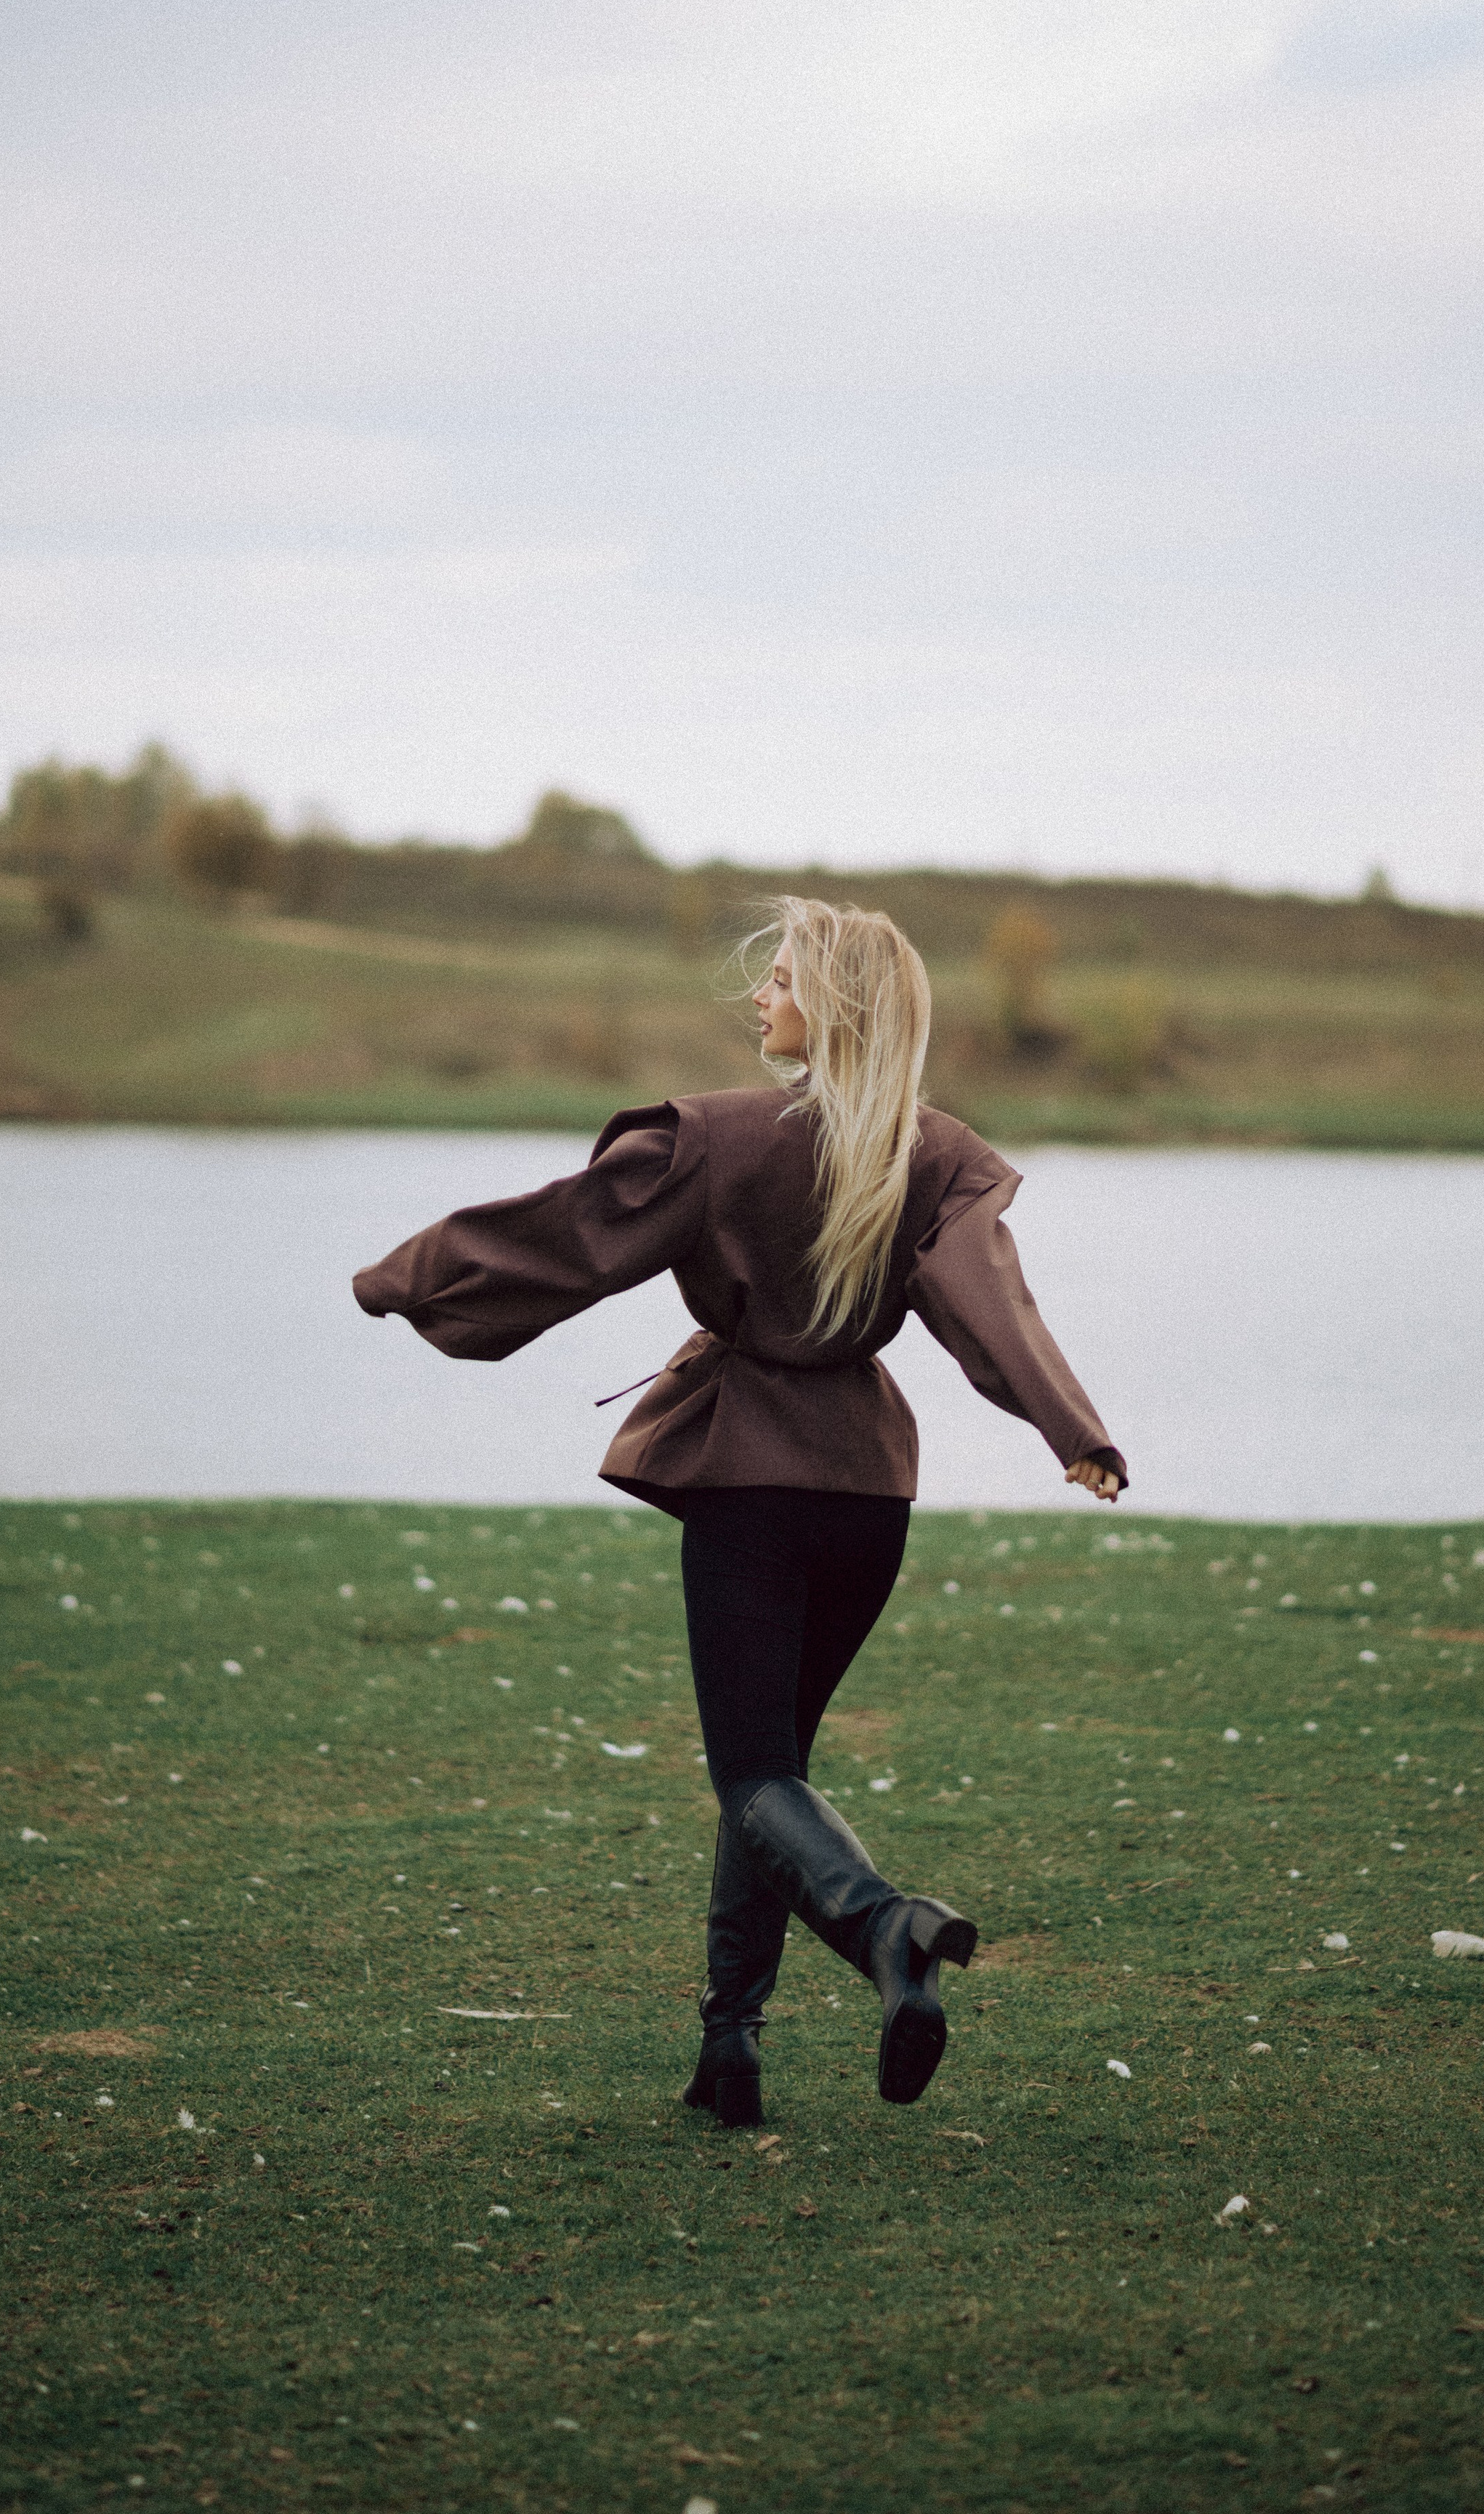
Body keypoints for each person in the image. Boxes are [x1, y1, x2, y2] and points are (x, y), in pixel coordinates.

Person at [352, 898, 1126, 2126]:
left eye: (782, 979)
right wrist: (1074, 1431)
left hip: (753, 1482)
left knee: (755, 1772)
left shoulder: (718, 1140)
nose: (760, 996)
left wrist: (409, 1276)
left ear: (837, 1007)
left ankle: (887, 1931)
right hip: (869, 1495)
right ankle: (730, 2052)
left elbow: (567, 1235)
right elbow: (994, 1303)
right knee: (773, 1781)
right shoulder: (934, 1154)